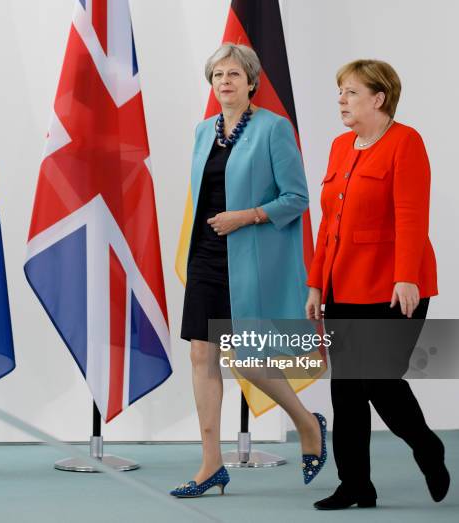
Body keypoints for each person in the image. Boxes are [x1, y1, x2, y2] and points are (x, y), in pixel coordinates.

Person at [171, 43, 326, 498]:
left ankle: (306, 425)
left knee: (247, 360)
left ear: (251, 81)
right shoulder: (203, 131)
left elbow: (297, 198)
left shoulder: (274, 129)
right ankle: (211, 463)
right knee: (201, 355)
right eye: (218, 74)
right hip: (205, 257)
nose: (225, 82)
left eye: (234, 74)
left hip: (250, 259)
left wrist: (247, 215)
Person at [305, 59, 450, 510]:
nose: (341, 101)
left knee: (380, 380)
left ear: (378, 98)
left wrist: (406, 275)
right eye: (340, 93)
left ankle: (428, 447)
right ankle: (356, 486)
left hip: (394, 286)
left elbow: (412, 215)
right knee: (346, 389)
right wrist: (315, 284)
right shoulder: (339, 146)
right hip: (342, 285)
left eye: (350, 92)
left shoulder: (406, 142)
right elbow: (329, 222)